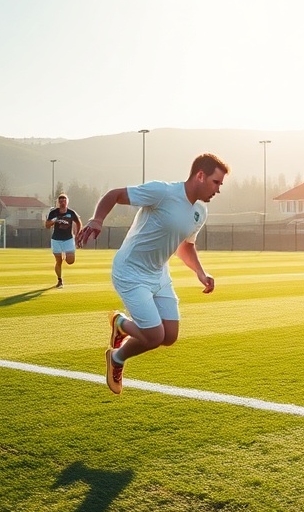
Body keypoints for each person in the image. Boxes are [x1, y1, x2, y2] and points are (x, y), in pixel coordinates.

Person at [76, 153, 230, 395]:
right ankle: (118, 346)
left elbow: (185, 246)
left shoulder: (200, 211)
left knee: (169, 336)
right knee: (154, 336)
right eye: (216, 182)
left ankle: (120, 333)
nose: (218, 190)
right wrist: (97, 219)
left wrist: (200, 273)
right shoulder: (163, 192)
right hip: (130, 272)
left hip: (159, 275)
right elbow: (114, 195)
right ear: (200, 175)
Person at [46, 193, 82, 288]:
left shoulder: (71, 213)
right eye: (60, 201)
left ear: (67, 202)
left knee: (70, 261)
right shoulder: (53, 213)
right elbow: (47, 225)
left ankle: (66, 254)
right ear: (58, 202)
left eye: (64, 200)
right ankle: (59, 280)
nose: (62, 202)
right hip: (56, 239)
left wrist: (77, 234)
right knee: (59, 261)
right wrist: (54, 220)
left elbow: (78, 223)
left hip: (68, 239)